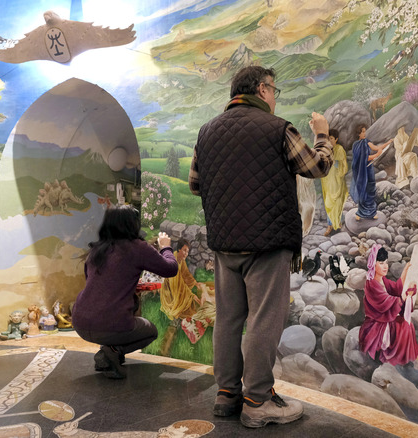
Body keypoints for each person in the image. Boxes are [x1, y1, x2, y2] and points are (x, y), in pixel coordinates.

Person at [189, 65, 333, 428]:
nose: (274, 97)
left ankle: (226, 394)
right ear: (263, 90)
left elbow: (194, 184)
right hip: (267, 243)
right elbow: (317, 167)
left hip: (225, 244)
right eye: (274, 90)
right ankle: (257, 400)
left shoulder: (206, 132)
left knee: (228, 318)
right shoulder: (278, 128)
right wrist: (323, 135)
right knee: (264, 320)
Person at [72, 205, 179, 379]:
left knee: (114, 324)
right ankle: (112, 350)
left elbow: (95, 283)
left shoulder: (96, 249)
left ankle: (109, 355)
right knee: (150, 331)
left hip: (79, 322)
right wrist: (165, 247)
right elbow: (170, 269)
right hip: (111, 324)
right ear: (132, 224)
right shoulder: (137, 247)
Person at [358, 245, 418, 365]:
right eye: (381, 263)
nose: (385, 266)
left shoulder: (383, 280)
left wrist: (406, 270)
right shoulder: (371, 284)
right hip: (376, 322)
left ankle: (405, 359)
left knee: (408, 325)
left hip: (386, 317)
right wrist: (403, 297)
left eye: (386, 262)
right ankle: (398, 359)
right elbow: (384, 301)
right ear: (373, 264)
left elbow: (396, 289)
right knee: (404, 327)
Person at [158, 238, 209, 355]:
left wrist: (196, 284)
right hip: (171, 295)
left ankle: (170, 349)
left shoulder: (182, 261)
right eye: (184, 250)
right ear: (179, 249)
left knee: (184, 317)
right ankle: (164, 350)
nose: (186, 253)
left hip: (178, 293)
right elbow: (177, 284)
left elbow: (186, 275)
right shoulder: (174, 260)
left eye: (187, 251)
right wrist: (191, 295)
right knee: (178, 317)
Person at [350, 124, 392, 220]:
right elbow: (364, 158)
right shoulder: (356, 145)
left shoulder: (367, 142)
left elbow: (377, 148)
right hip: (360, 171)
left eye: (365, 131)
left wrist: (388, 143)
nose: (364, 133)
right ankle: (361, 213)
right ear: (358, 133)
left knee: (371, 187)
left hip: (368, 169)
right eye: (363, 131)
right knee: (362, 189)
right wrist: (377, 154)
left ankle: (372, 212)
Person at [320, 128, 349, 236]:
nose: (330, 140)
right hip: (327, 181)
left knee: (337, 203)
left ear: (336, 139)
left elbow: (344, 166)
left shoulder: (339, 149)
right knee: (328, 203)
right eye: (328, 138)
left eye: (331, 138)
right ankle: (330, 226)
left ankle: (337, 223)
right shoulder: (325, 149)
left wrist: (335, 163)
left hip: (337, 181)